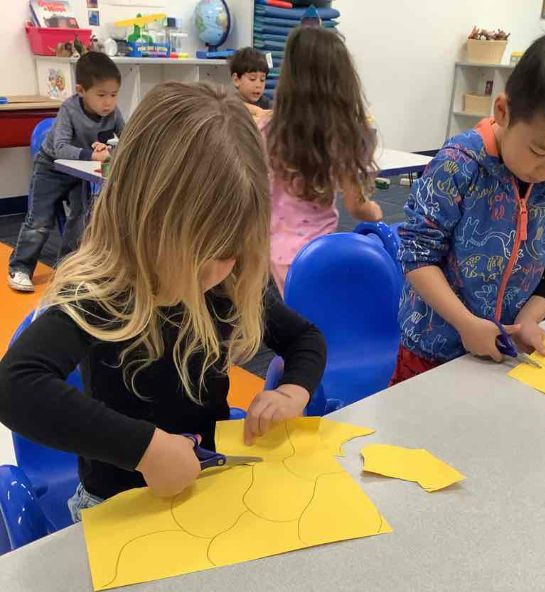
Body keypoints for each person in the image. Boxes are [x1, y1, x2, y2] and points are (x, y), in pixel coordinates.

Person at [0, 82, 326, 521]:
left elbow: (305, 338)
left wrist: (292, 391)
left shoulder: (229, 282)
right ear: (144, 222)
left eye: (230, 251)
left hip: (207, 486)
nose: (216, 271)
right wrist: (145, 450)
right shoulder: (105, 292)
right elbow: (15, 387)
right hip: (117, 506)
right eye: (201, 253)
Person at [391, 25, 545, 384]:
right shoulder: (458, 165)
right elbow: (417, 255)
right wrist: (465, 323)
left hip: (507, 348)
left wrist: (530, 318)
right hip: (433, 347)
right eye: (539, 152)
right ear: (503, 111)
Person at [262, 26, 383, 294]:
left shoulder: (267, 130)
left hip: (266, 255)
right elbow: (356, 206)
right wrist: (375, 211)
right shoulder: (341, 137)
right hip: (314, 256)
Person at [8, 51, 124, 293]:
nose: (108, 102)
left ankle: (66, 268)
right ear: (81, 91)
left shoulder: (113, 114)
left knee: (80, 220)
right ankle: (20, 267)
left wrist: (110, 147)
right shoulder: (69, 110)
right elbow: (60, 148)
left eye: (113, 95)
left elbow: (127, 138)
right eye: (101, 95)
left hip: (80, 172)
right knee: (40, 221)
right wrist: (93, 154)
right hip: (51, 168)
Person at [230, 47, 272, 113]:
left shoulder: (267, 104)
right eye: (252, 79)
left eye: (262, 80)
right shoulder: (228, 105)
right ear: (236, 80)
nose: (258, 85)